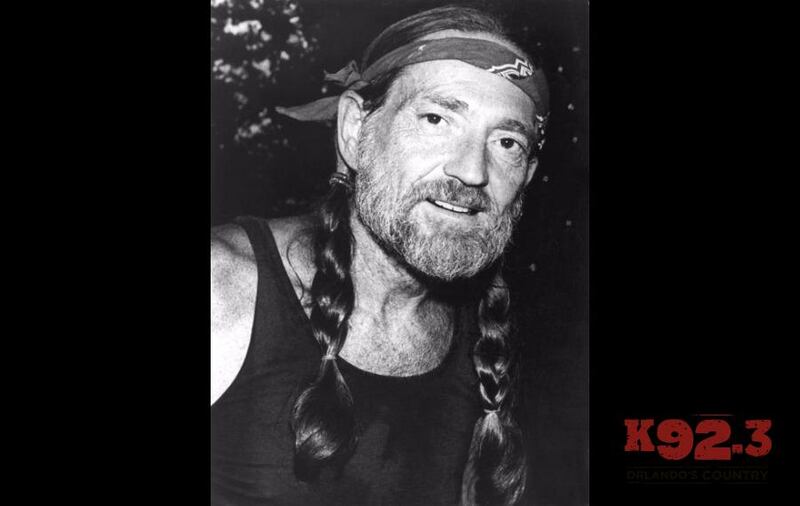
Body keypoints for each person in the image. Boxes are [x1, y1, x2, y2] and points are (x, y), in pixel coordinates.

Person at [211, 6, 577, 505]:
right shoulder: (224, 287)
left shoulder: (489, 342)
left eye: (507, 142)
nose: (473, 171)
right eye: (436, 119)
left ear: (527, 177)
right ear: (354, 130)